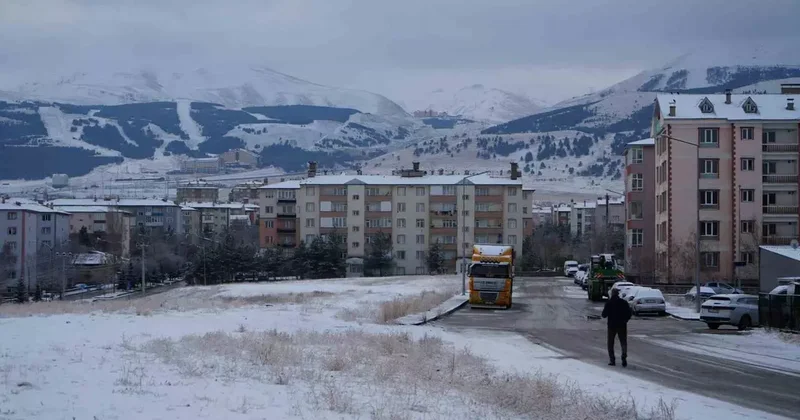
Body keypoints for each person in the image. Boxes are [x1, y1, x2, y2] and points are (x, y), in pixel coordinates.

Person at [601, 287, 632, 366]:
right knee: (623, 342)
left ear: (612, 294)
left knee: (610, 343)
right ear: (618, 294)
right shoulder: (624, 302)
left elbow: (604, 315)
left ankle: (612, 360)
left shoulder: (609, 303)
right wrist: (625, 320)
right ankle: (624, 357)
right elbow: (629, 313)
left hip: (611, 325)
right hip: (622, 325)